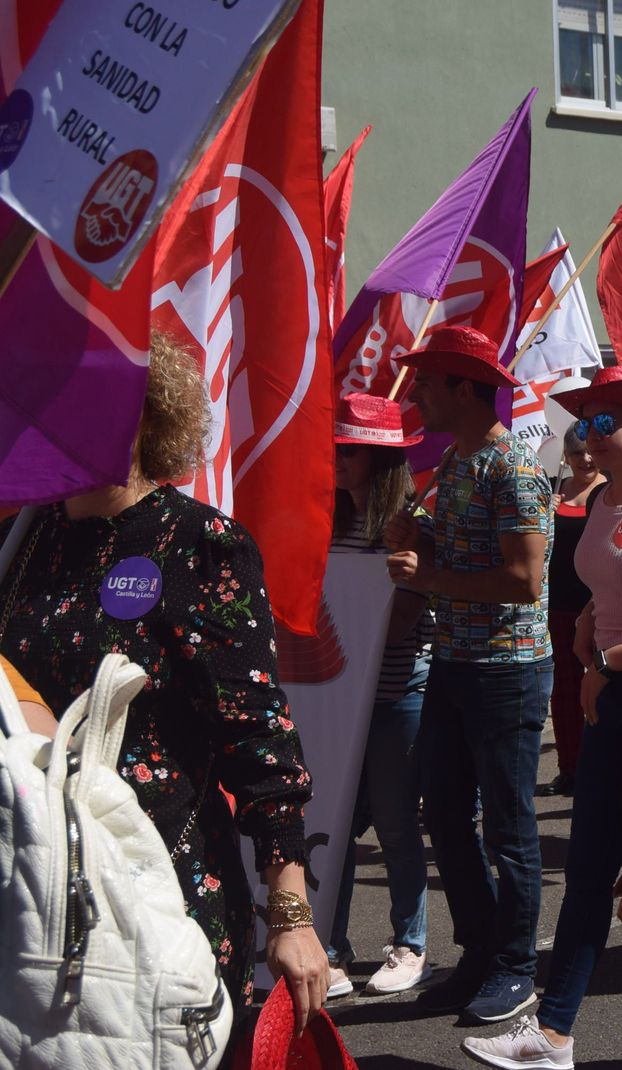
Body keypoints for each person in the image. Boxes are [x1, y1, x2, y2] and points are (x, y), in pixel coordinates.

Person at [0, 334, 325, 1046]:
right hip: (30, 872)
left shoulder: (199, 543)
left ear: (144, 420)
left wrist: (291, 912)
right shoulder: (26, 538)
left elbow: (259, 737)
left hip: (157, 882)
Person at [462, 364, 622, 1070]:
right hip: (610, 699)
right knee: (591, 869)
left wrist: (604, 665)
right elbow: (609, 583)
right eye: (583, 425)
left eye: (605, 423)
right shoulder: (599, 502)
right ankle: (554, 1033)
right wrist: (589, 625)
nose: (589, 438)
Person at [384, 326, 554, 1024]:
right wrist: (418, 540)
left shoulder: (512, 465)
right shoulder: (454, 463)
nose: (416, 393)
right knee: (446, 815)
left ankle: (515, 966)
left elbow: (523, 580)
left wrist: (429, 575)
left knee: (508, 828)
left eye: (427, 381)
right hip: (456, 663)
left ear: (463, 388)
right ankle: (481, 952)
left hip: (506, 671)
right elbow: (463, 556)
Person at [322, 393, 434, 997]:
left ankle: (410, 943)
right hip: (339, 694)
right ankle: (330, 943)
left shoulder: (413, 523)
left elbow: (405, 617)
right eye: (335, 447)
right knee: (334, 825)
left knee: (394, 825)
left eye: (352, 449)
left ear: (379, 458)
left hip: (395, 695)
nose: (338, 458)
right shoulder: (327, 519)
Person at [542, 425, 601, 798]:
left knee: (599, 688)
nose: (586, 459)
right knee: (563, 691)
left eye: (589, 451)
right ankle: (570, 769)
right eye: (577, 453)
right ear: (566, 456)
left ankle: (600, 767)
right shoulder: (552, 491)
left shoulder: (609, 494)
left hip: (596, 607)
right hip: (557, 605)